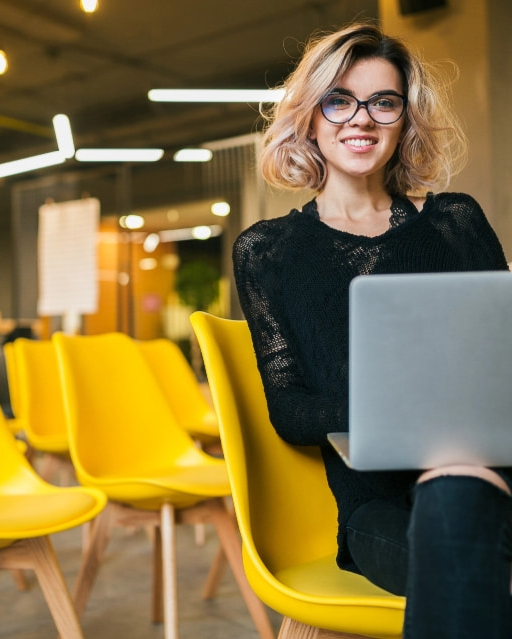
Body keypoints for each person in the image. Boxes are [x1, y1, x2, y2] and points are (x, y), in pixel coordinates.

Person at [233, 21, 512, 639]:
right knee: (462, 553)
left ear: (404, 119)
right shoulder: (269, 252)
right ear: (309, 117)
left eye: (383, 102)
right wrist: (398, 405)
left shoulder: (455, 223)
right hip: (376, 506)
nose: (361, 119)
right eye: (339, 100)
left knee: (465, 505)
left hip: (493, 473)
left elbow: (505, 355)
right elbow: (290, 410)